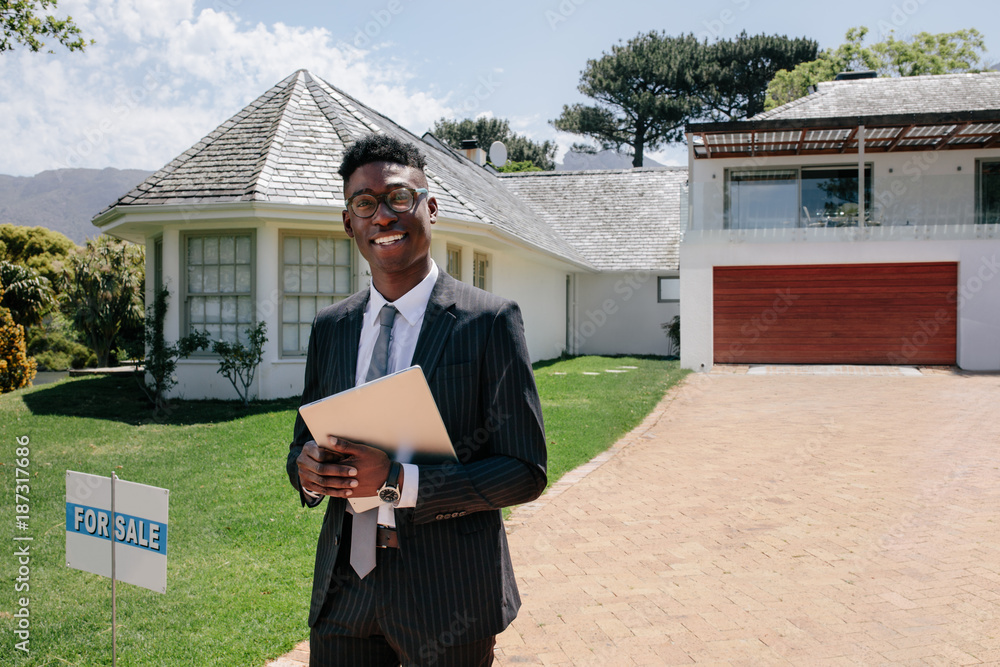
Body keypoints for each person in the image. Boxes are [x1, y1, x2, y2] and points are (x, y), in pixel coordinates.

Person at [287, 133, 548, 666]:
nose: (382, 216)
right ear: (349, 223)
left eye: (398, 198)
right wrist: (307, 470)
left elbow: (525, 469)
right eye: (364, 203)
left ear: (430, 206)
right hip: (345, 591)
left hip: (447, 593)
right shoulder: (331, 328)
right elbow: (301, 445)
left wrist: (399, 482)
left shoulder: (488, 321)